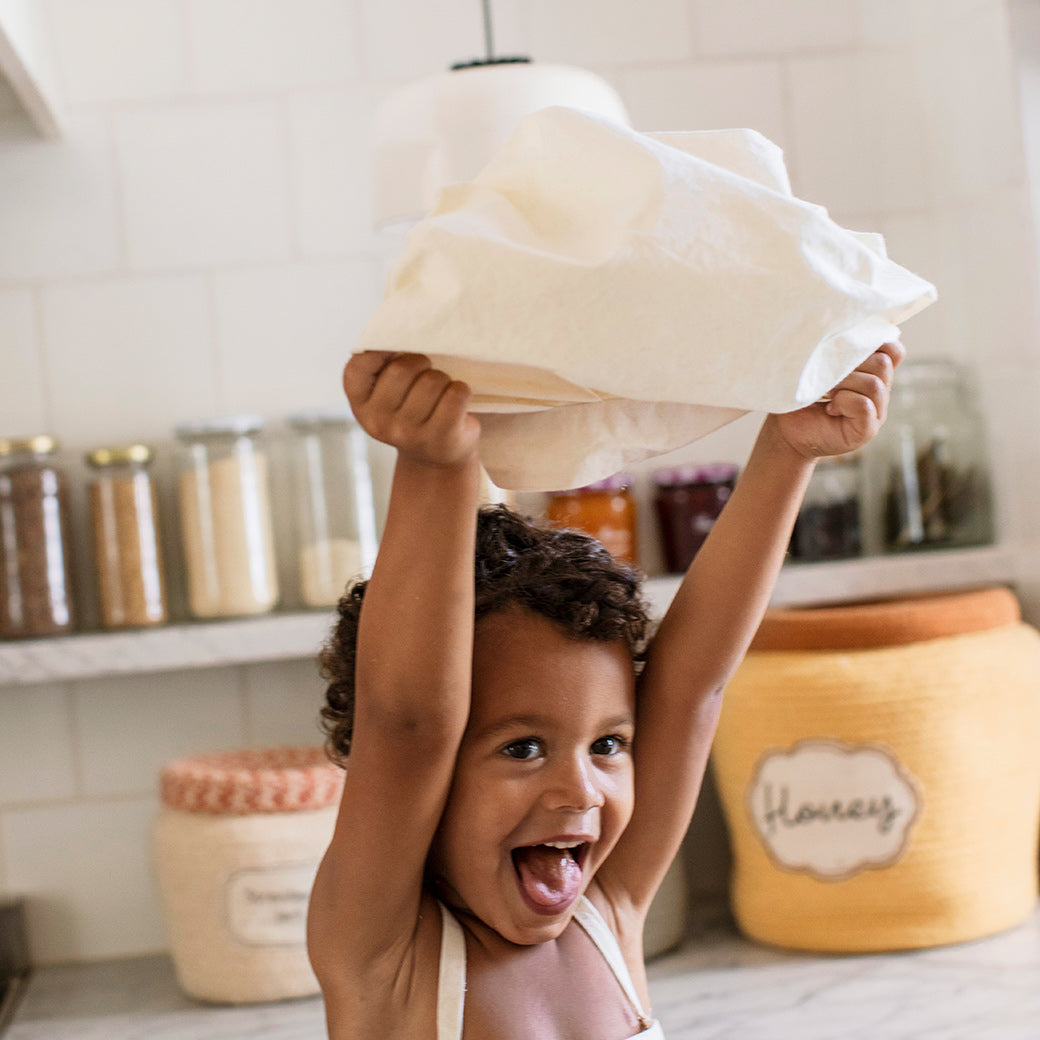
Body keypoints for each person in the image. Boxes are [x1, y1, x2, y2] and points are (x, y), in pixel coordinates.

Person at [307, 341, 904, 1039]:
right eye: (523, 747)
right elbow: (408, 722)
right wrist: (437, 466)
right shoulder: (382, 954)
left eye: (609, 744)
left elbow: (692, 690)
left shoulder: (608, 910)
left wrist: (789, 448)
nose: (581, 790)